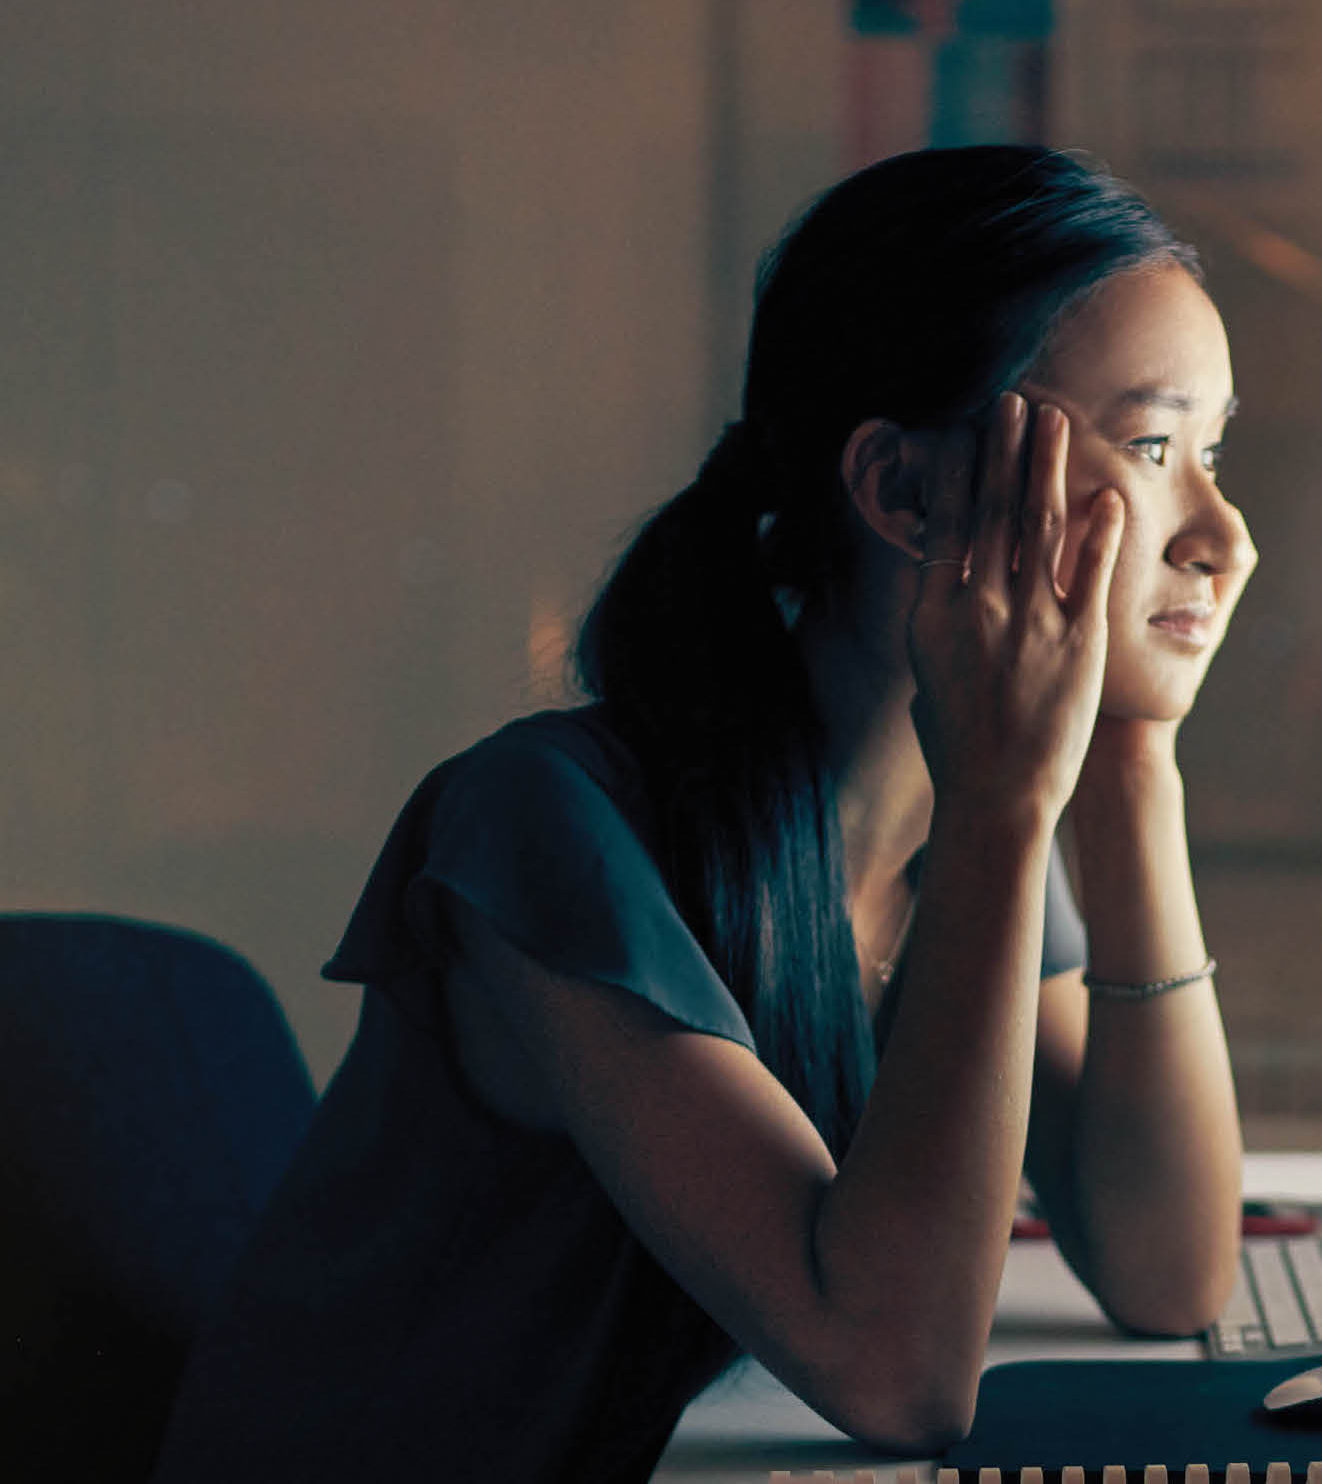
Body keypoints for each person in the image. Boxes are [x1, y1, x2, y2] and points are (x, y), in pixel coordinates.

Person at [151, 146, 1256, 1480]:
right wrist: (1011, 803)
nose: (1221, 533)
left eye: (1212, 449)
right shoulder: (548, 828)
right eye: (1151, 445)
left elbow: (1172, 1267)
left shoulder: (951, 839)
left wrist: (1135, 757)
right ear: (904, 492)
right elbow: (899, 1373)